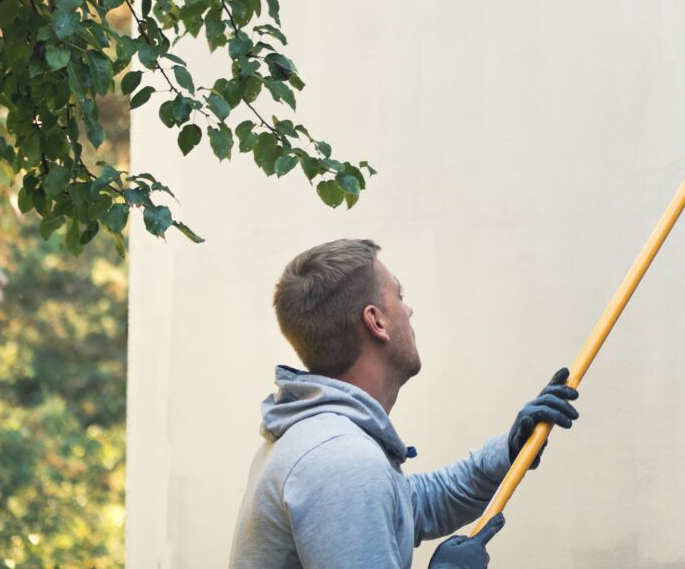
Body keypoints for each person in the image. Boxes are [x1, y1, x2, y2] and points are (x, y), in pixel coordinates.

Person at [229, 238, 580, 568]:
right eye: (399, 295)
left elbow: (417, 504)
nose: (409, 311)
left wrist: (510, 450)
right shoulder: (341, 461)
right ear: (376, 321)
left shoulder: (325, 442)